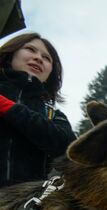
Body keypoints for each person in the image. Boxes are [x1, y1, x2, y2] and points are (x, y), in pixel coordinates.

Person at [0, 32, 75, 188]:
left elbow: (67, 147)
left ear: (50, 74)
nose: (38, 58)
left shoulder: (53, 114)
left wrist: (7, 107)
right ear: (10, 55)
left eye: (46, 58)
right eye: (30, 49)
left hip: (22, 208)